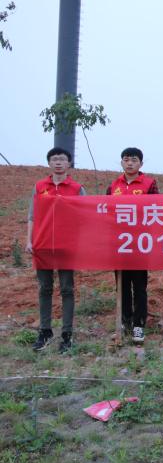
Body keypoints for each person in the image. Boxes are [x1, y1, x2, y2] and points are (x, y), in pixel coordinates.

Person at [27, 147, 86, 353]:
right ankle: (45, 331)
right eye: (54, 159)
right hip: (43, 244)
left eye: (62, 159)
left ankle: (67, 333)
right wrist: (29, 240)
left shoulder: (77, 188)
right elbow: (32, 216)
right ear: (49, 163)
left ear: (69, 163)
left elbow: (84, 216)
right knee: (44, 288)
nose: (58, 162)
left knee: (67, 288)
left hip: (67, 245)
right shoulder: (40, 186)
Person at [106, 147, 159, 344]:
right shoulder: (114, 186)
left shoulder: (149, 184)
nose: (130, 163)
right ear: (121, 162)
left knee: (139, 286)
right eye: (126, 159)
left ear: (141, 164)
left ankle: (139, 325)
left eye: (134, 160)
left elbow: (156, 210)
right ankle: (124, 322)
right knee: (122, 285)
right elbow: (107, 212)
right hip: (119, 244)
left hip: (140, 243)